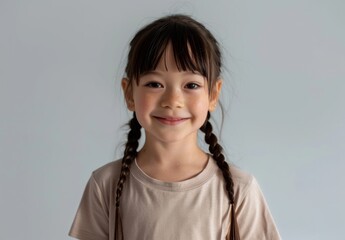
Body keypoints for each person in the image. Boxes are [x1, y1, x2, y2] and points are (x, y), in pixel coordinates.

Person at [69, 14, 281, 240]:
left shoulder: (240, 189)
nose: (173, 100)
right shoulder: (105, 184)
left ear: (213, 93)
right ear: (129, 92)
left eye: (191, 85)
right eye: (155, 84)